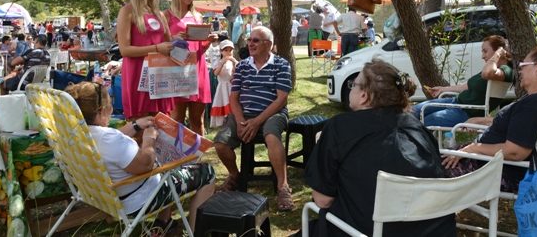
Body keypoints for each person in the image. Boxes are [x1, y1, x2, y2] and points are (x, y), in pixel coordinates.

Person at [301, 59, 455, 236]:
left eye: (353, 84)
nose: (351, 88)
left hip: (363, 231)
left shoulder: (339, 128)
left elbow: (322, 201)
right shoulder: (418, 127)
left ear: (364, 95)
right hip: (430, 230)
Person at [65, 81, 215, 232]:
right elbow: (145, 164)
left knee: (165, 166)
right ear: (101, 110)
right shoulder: (108, 139)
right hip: (139, 201)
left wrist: (136, 125)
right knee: (207, 171)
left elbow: (112, 143)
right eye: (110, 104)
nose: (111, 108)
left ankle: (163, 223)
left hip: (108, 198)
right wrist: (149, 141)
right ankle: (196, 230)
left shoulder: (76, 134)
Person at [442, 45, 537, 191]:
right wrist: (480, 121)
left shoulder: (533, 105)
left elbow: (515, 152)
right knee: (434, 159)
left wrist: (473, 148)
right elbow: (518, 126)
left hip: (496, 170)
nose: (519, 70)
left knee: (431, 171)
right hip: (492, 163)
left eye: (523, 65)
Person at [214, 26, 294, 211]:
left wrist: (257, 121)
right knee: (220, 143)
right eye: (250, 40)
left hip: (273, 113)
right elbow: (234, 98)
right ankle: (235, 176)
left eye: (256, 40)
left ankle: (283, 187)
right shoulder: (242, 65)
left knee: (272, 136)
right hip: (244, 114)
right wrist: (241, 122)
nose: (250, 43)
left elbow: (281, 98)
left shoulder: (281, 65)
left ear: (269, 44)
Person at [411, 35, 513, 127]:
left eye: (485, 51)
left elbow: (486, 73)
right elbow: (467, 86)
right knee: (414, 111)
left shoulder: (505, 71)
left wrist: (498, 54)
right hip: (455, 102)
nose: (482, 56)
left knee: (421, 122)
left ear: (498, 52)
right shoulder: (492, 70)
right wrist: (442, 89)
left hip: (465, 112)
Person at [117, 0, 175, 119]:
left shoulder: (159, 14)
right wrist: (157, 48)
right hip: (137, 74)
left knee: (162, 124)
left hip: (159, 73)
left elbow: (169, 43)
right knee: (140, 126)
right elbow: (124, 50)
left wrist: (187, 39)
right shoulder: (127, 11)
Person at [165, 0, 216, 137]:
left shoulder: (198, 16)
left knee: (197, 120)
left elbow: (200, 48)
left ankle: (197, 159)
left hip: (198, 70)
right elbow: (159, 44)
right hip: (176, 71)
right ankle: (175, 159)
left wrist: (209, 41)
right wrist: (173, 39)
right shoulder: (166, 16)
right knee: (176, 119)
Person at [210, 40, 237, 128]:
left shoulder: (233, 62)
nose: (228, 52)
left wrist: (234, 63)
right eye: (226, 50)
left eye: (230, 50)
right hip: (222, 87)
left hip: (232, 87)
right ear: (221, 51)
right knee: (224, 101)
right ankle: (224, 122)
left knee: (233, 104)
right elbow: (216, 73)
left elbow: (235, 74)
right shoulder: (218, 62)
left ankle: (233, 121)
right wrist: (222, 63)